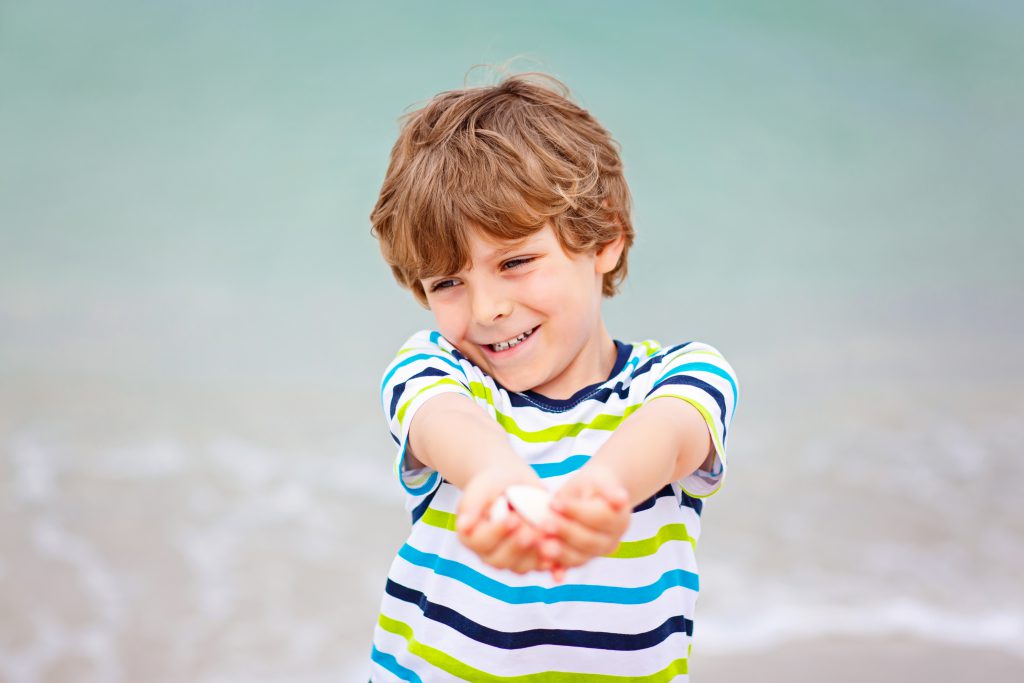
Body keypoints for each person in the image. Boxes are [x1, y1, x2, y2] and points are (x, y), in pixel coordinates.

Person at [367, 72, 738, 681]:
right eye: (448, 283)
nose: (486, 310)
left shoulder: (681, 375)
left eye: (514, 261)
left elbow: (670, 434)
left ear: (604, 240)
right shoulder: (439, 369)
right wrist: (495, 476)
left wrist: (605, 492)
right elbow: (443, 423)